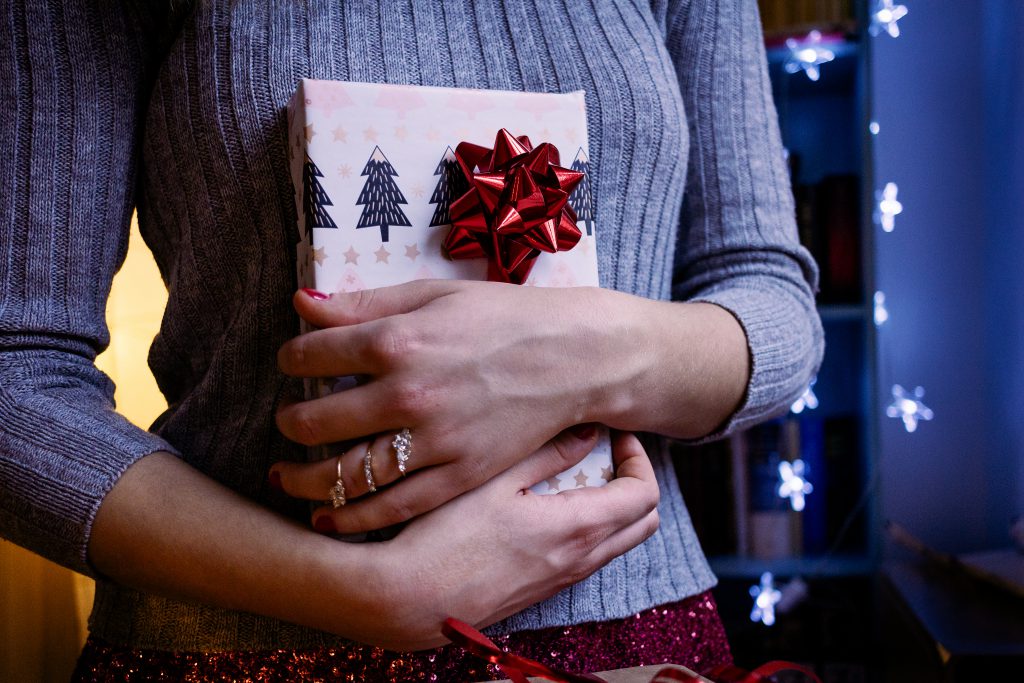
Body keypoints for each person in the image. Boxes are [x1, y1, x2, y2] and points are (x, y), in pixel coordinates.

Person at [0, 0, 823, 680]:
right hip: (237, 649)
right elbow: (17, 376)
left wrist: (588, 356)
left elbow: (772, 298)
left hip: (632, 644)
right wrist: (364, 590)